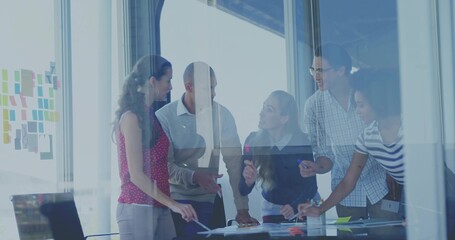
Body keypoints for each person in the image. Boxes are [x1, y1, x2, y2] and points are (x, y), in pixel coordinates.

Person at [156, 61, 258, 239]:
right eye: (207, 88)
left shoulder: (222, 115)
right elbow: (165, 167)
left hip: (208, 200)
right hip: (175, 200)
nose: (213, 93)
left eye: (214, 87)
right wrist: (195, 176)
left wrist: (242, 209)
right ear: (189, 87)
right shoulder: (164, 117)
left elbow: (234, 166)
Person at [301, 43, 392, 220]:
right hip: (344, 194)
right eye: (313, 70)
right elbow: (325, 156)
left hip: (383, 186)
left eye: (321, 70)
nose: (316, 76)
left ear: (340, 70)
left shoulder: (367, 94)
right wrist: (316, 167)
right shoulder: (313, 106)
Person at [114, 55, 197, 240]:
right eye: (168, 80)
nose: (171, 87)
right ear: (153, 81)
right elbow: (136, 175)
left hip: (159, 205)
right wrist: (174, 204)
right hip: (137, 206)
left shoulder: (151, 117)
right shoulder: (131, 118)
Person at [239, 90, 319, 223]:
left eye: (269, 110)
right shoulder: (252, 141)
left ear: (284, 118)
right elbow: (242, 189)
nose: (261, 113)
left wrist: (294, 205)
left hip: (304, 206)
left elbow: (311, 185)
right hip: (271, 207)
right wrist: (248, 181)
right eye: (263, 107)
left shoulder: (302, 142)